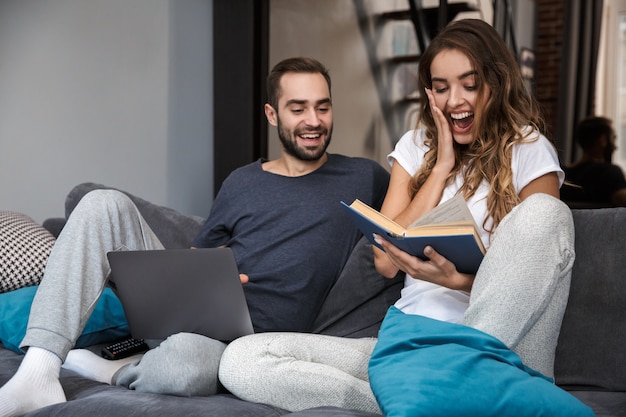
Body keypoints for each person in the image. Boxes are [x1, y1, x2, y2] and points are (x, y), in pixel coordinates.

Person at [217, 19, 575, 414]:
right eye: (441, 88)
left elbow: (533, 276)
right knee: (244, 359)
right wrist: (440, 167)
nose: (455, 100)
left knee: (546, 212)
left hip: (504, 347)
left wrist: (458, 280)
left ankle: (448, 383)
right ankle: (428, 398)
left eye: (469, 85)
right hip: (410, 342)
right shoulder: (416, 146)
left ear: (497, 83)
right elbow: (385, 261)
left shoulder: (529, 148)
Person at [0, 56, 391, 417]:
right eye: (298, 108)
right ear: (272, 115)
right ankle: (39, 371)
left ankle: (119, 371)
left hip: (250, 347)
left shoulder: (364, 176)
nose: (314, 120)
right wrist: (210, 280)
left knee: (184, 366)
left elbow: (409, 213)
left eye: (323, 106)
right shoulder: (242, 181)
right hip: (204, 312)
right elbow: (198, 252)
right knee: (101, 203)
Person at [562, 116, 626, 207]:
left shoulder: (563, 174)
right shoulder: (610, 172)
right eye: (613, 138)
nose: (616, 147)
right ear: (602, 140)